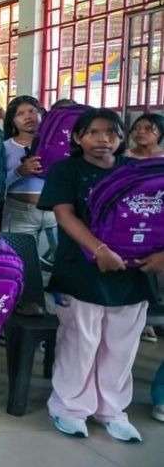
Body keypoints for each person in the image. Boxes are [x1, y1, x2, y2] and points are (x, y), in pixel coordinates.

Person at [37, 108, 162, 442]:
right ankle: (69, 408)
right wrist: (99, 250)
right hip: (82, 270)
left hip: (134, 272)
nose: (102, 139)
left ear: (122, 137)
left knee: (121, 346)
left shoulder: (138, 171)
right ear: (78, 138)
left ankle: (111, 410)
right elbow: (65, 215)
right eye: (93, 132)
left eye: (111, 132)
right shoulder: (67, 170)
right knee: (81, 341)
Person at [1, 96, 56, 275]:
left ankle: (54, 291)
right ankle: (26, 293)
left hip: (56, 211)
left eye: (32, 111)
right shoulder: (4, 147)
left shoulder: (56, 145)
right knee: (19, 263)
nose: (28, 116)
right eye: (20, 114)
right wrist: (19, 172)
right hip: (18, 211)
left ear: (41, 114)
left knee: (65, 260)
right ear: (12, 121)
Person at [126, 113, 164, 343]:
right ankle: (139, 321)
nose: (141, 132)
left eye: (148, 128)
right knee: (133, 268)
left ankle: (151, 318)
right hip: (129, 219)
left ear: (160, 133)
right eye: (137, 128)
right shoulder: (124, 158)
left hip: (158, 221)